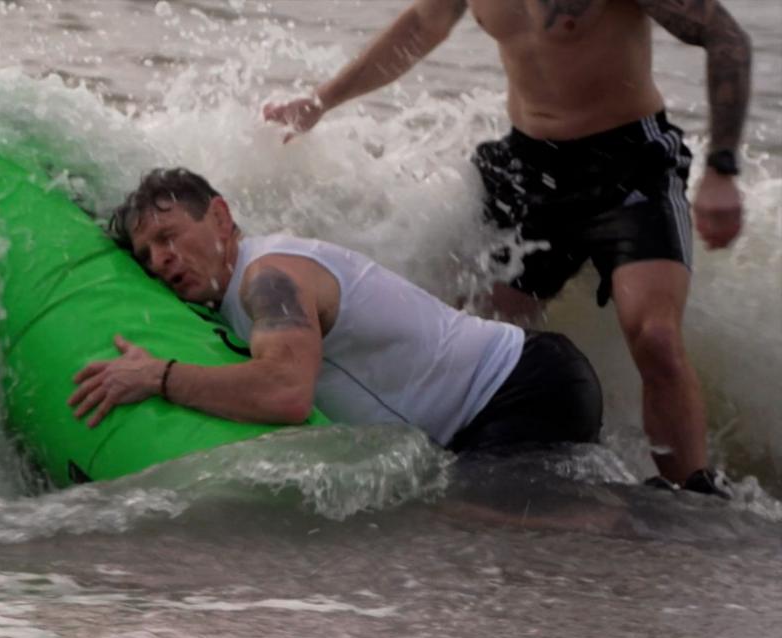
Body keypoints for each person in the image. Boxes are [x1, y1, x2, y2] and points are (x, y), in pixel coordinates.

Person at [260, 0, 749, 494]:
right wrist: (321, 102)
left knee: (656, 338)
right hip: (529, 172)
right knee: (478, 331)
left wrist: (723, 170)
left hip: (628, 169)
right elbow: (422, 25)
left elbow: (725, 36)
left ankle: (693, 496)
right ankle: (486, 465)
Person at [68, 168, 603, 458]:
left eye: (169, 236)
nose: (161, 260)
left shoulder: (269, 278)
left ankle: (657, 530)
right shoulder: (232, 294)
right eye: (147, 255)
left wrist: (158, 377)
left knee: (460, 533)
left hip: (519, 392)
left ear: (221, 216)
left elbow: (286, 392)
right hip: (507, 399)